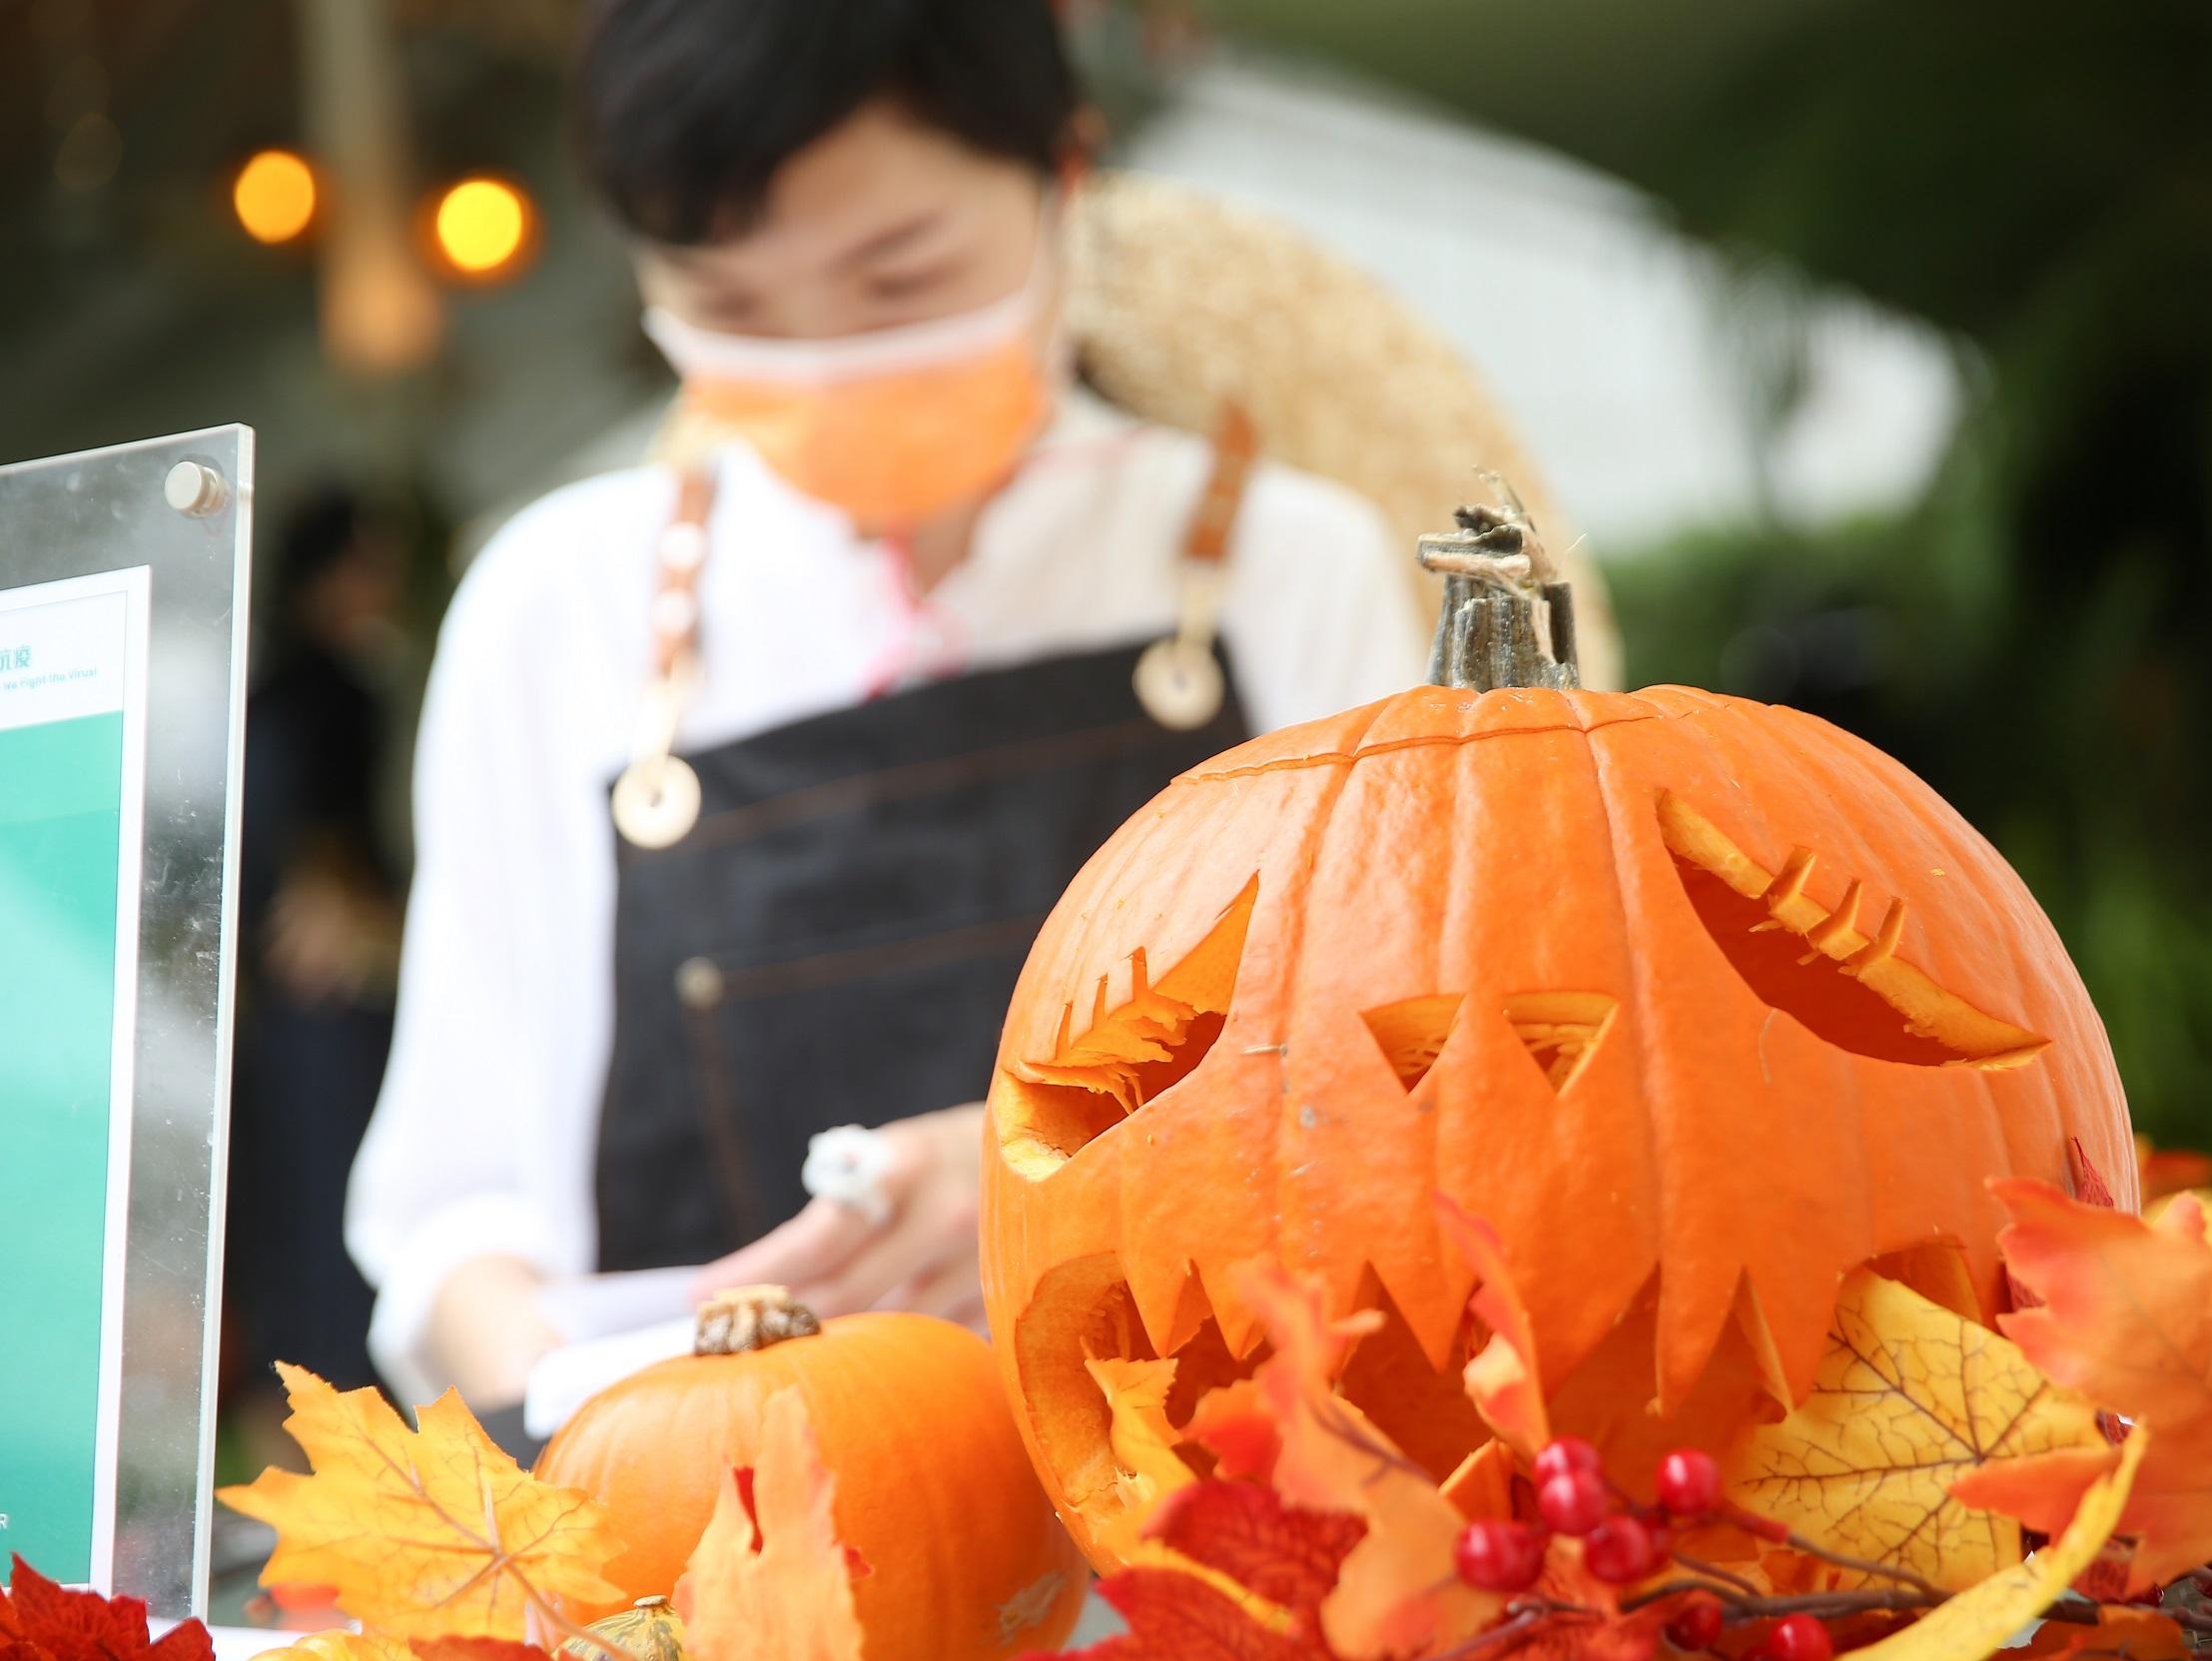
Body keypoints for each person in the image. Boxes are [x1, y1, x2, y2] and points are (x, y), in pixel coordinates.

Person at [345, 0, 1426, 1410]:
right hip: (711, 1514)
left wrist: (1067, 1175)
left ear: (1065, 175)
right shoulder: (558, 609)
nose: (825, 363)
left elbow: (1413, 1092)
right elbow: (456, 1220)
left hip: (1225, 1481)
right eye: (731, 310)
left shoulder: (1290, 570)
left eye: (901, 280)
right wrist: (583, 1420)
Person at [232, 485, 408, 1395]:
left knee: (306, 1210)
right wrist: (341, 904)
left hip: (288, 1002)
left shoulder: (262, 696)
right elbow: (324, 860)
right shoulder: (332, 693)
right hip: (332, 993)